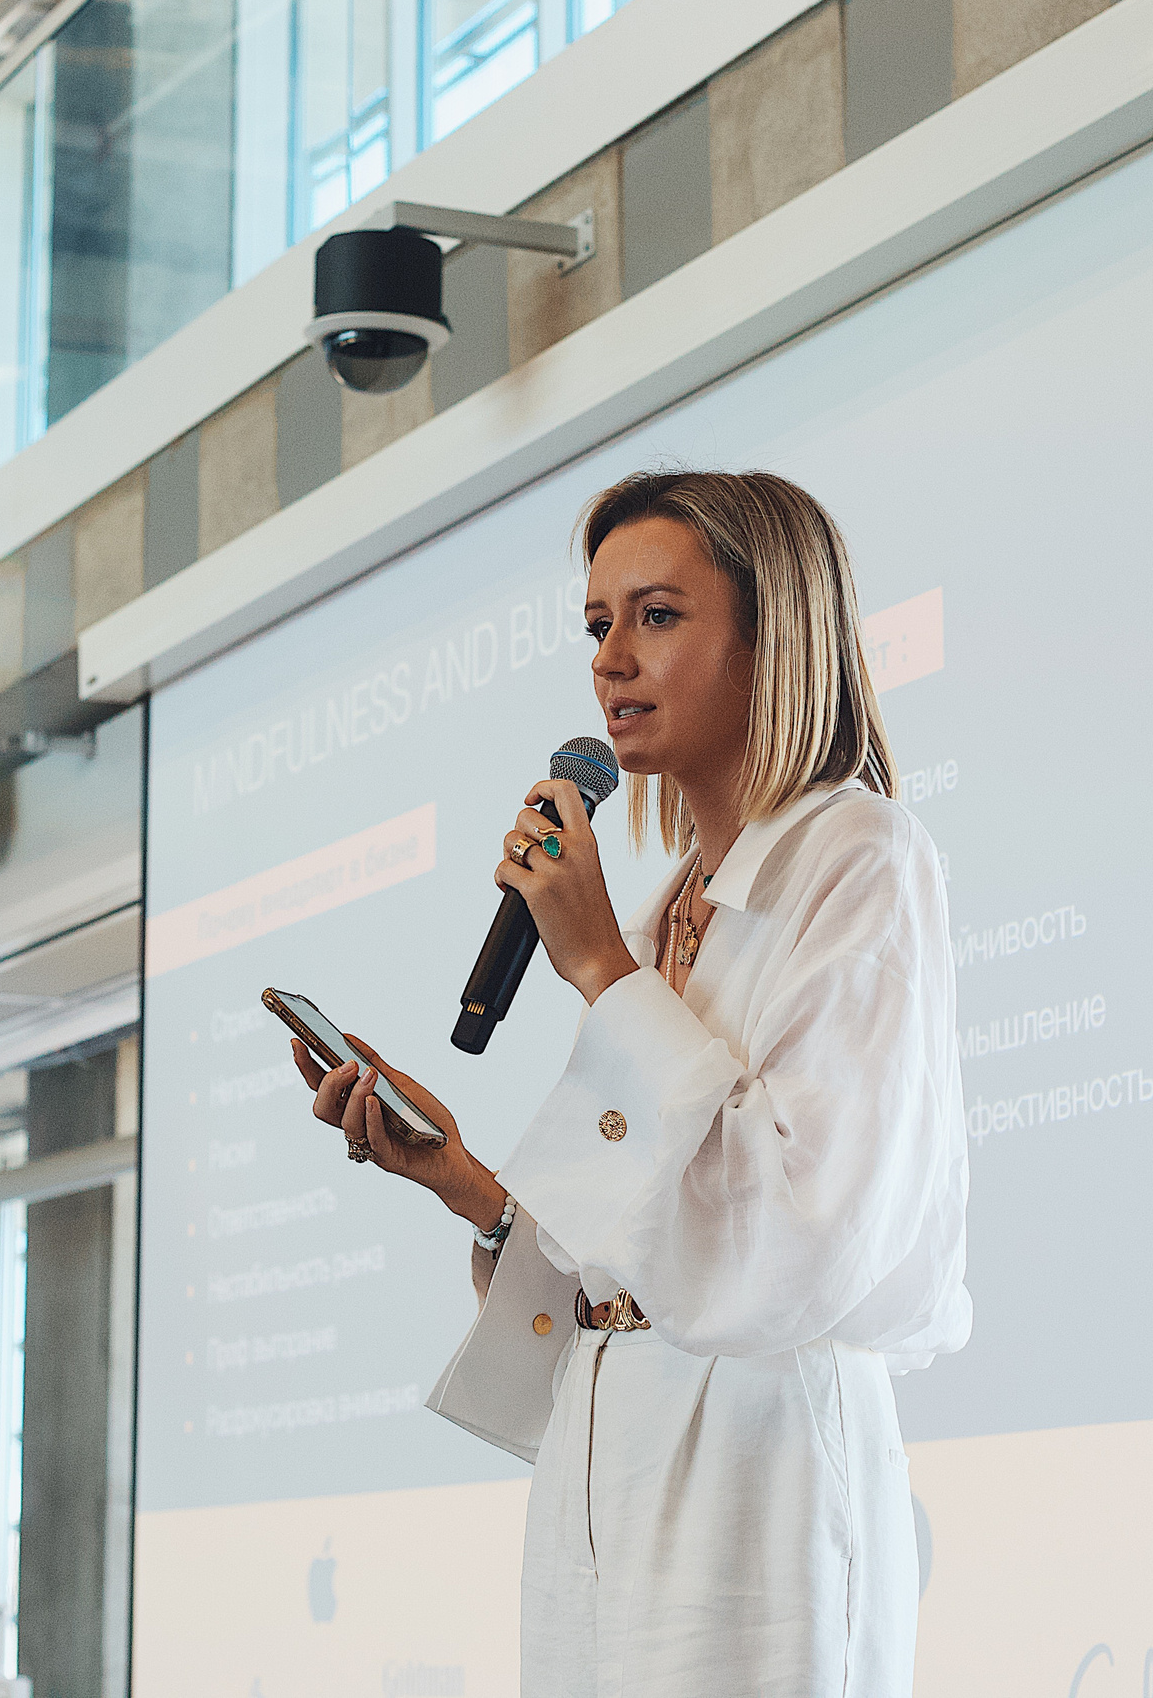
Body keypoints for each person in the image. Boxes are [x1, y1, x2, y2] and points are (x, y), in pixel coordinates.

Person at [288, 469, 970, 1696]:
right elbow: (634, 1245)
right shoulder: (670, 907)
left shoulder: (857, 857)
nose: (610, 658)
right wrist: (469, 1186)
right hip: (606, 1463)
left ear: (774, 638)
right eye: (597, 624)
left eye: (656, 615)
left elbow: (805, 1228)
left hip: (753, 1465)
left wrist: (597, 962)